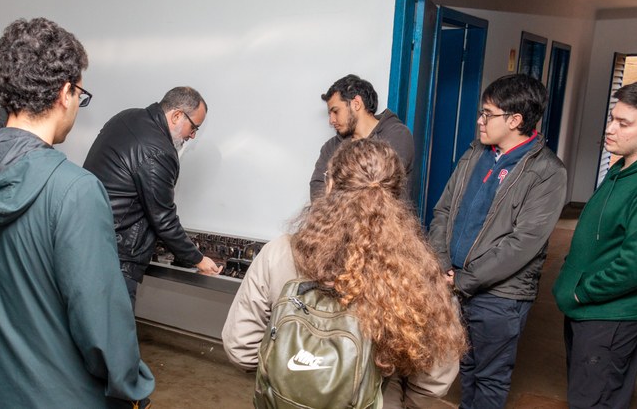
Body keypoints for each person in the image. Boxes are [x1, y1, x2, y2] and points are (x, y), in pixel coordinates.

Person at [0, 17, 154, 408]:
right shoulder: (76, 190)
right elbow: (102, 329)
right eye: (80, 94)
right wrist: (133, 385)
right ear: (66, 93)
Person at [223, 139, 466, 407]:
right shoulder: (417, 270)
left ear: (329, 186)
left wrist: (289, 378)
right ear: (396, 196)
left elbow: (240, 347)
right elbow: (435, 377)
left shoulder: (279, 252)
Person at [428, 74, 567, 409]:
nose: (480, 120)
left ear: (515, 120)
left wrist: (464, 279)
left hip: (499, 297)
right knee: (466, 367)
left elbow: (523, 242)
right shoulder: (476, 153)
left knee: (490, 378)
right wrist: (442, 263)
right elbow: (443, 209)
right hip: (454, 282)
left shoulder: (547, 172)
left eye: (487, 114)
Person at [83, 87, 221, 309]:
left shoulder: (125, 117)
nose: (192, 135)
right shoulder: (159, 151)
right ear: (177, 116)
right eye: (194, 127)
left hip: (87, 240)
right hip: (116, 258)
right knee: (115, 328)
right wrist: (198, 259)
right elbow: (163, 218)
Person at [552, 82, 637, 409]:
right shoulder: (621, 168)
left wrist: (583, 292)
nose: (610, 129)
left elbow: (633, 266)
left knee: (593, 401)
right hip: (589, 312)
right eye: (612, 118)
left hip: (608, 316)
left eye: (623, 123)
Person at [309, 74, 414, 202]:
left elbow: (379, 187)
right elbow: (317, 190)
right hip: (339, 216)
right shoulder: (331, 147)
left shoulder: (397, 135)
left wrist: (336, 188)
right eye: (329, 114)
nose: (331, 121)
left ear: (356, 103)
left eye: (335, 111)